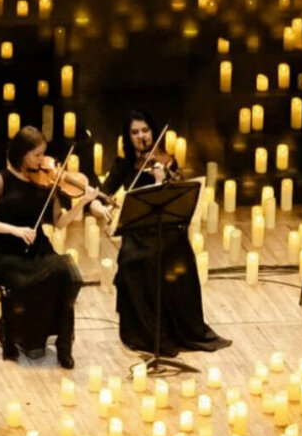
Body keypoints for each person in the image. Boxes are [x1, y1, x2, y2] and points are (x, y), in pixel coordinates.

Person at [95, 110, 230, 356]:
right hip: (137, 232)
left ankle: (181, 327)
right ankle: (149, 333)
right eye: (135, 132)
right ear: (128, 137)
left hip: (165, 228)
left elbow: (175, 194)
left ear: (153, 132)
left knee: (178, 253)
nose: (142, 137)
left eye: (145, 131)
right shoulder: (123, 165)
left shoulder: (166, 161)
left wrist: (160, 179)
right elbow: (101, 195)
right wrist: (100, 207)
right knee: (136, 260)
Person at [0, 126, 96, 368]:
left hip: (37, 249)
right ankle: (11, 329)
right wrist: (14, 230)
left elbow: (60, 223)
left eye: (43, 154)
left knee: (69, 275)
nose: (43, 161)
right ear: (22, 154)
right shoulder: (2, 180)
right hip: (5, 254)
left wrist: (82, 203)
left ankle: (64, 343)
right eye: (37, 155)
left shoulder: (46, 182)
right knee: (46, 275)